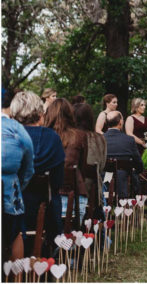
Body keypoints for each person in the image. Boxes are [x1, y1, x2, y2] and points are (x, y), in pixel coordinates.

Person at [11, 91, 64, 253]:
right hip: (45, 215)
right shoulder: (52, 138)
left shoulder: (8, 137)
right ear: (40, 114)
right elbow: (57, 182)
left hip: (10, 215)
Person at [43, 98, 88, 222]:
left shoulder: (44, 136)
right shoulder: (80, 135)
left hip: (48, 196)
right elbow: (83, 166)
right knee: (72, 238)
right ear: (70, 114)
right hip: (75, 194)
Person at [2, 89, 34, 263]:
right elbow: (29, 168)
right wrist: (17, 186)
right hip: (10, 196)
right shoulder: (16, 129)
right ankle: (16, 278)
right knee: (16, 235)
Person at [72, 102, 106, 220]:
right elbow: (102, 166)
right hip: (93, 189)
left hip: (71, 188)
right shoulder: (100, 139)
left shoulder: (70, 137)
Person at [102, 112, 144, 198]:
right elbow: (138, 162)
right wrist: (138, 171)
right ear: (120, 123)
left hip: (103, 181)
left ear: (106, 123)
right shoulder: (129, 140)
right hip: (123, 183)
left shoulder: (99, 139)